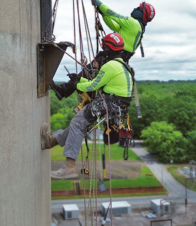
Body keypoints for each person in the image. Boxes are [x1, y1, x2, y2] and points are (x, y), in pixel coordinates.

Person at [41, 33, 134, 179]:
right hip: (117, 105)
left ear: (108, 48)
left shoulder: (110, 65)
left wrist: (76, 84)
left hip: (110, 102)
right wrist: (79, 79)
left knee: (77, 123)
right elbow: (98, 82)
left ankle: (69, 167)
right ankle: (51, 142)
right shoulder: (122, 65)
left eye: (104, 48)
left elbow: (93, 86)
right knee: (79, 124)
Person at [49, 0, 155, 100]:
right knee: (90, 74)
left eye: (139, 8)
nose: (136, 9)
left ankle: (64, 91)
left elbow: (114, 15)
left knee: (89, 74)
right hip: (118, 58)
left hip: (113, 57)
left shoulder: (133, 23)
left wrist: (99, 3)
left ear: (142, 13)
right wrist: (102, 13)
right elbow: (114, 26)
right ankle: (70, 93)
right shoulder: (138, 28)